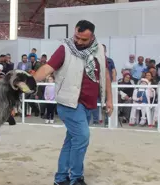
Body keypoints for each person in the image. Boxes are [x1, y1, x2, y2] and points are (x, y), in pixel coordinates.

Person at [33, 20, 113, 185]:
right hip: (69, 103)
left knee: (72, 141)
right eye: (77, 37)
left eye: (83, 39)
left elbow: (105, 74)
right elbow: (47, 68)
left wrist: (109, 99)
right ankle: (76, 178)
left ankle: (61, 178)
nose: (78, 41)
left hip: (88, 105)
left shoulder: (99, 49)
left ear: (92, 38)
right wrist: (29, 82)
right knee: (83, 136)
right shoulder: (65, 48)